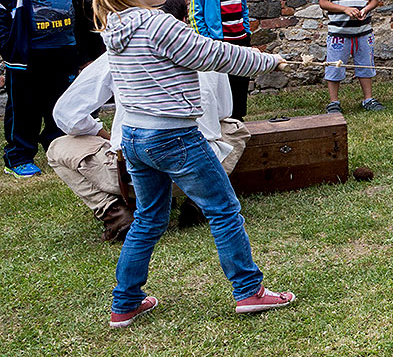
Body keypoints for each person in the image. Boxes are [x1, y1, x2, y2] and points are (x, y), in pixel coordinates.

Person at [95, 0, 294, 327]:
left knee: (149, 219)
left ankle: (125, 303)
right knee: (223, 209)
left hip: (135, 138)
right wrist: (269, 60)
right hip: (172, 138)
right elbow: (214, 54)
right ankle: (249, 292)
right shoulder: (156, 23)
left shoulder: (113, 23)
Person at [47, 53, 249, 242]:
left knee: (58, 146)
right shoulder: (206, 49)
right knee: (233, 128)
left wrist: (103, 135)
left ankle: (113, 212)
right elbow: (223, 110)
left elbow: (66, 114)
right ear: (185, 17)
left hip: (136, 175)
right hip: (199, 168)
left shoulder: (119, 52)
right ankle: (201, 201)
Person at [1, 0, 79, 178]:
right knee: (25, 108)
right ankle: (18, 157)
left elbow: (72, 1)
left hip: (63, 49)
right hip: (28, 55)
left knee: (60, 104)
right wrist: (9, 46)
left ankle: (57, 148)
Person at [189, 0, 254, 119]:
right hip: (219, 41)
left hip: (240, 38)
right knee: (221, 84)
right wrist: (207, 40)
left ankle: (238, 118)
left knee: (241, 81)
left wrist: (246, 30)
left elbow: (243, 7)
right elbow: (195, 14)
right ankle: (222, 119)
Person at [315, 0, 383, 114]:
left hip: (363, 32)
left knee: (365, 65)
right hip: (339, 34)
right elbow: (323, 2)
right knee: (335, 66)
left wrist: (366, 9)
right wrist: (345, 9)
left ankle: (368, 99)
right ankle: (334, 102)